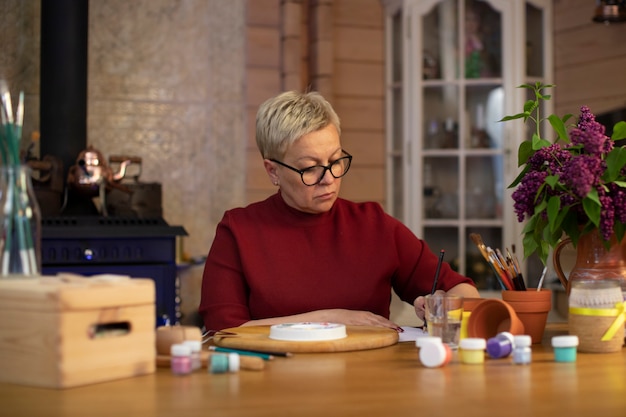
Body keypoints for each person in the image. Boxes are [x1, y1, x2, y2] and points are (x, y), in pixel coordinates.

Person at [199, 91, 479, 331]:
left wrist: (442, 307)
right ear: (273, 171)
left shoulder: (374, 226)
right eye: (310, 168)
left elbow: (464, 292)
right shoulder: (238, 230)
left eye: (335, 160)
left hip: (371, 383)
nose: (329, 178)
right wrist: (330, 320)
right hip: (273, 385)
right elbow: (223, 331)